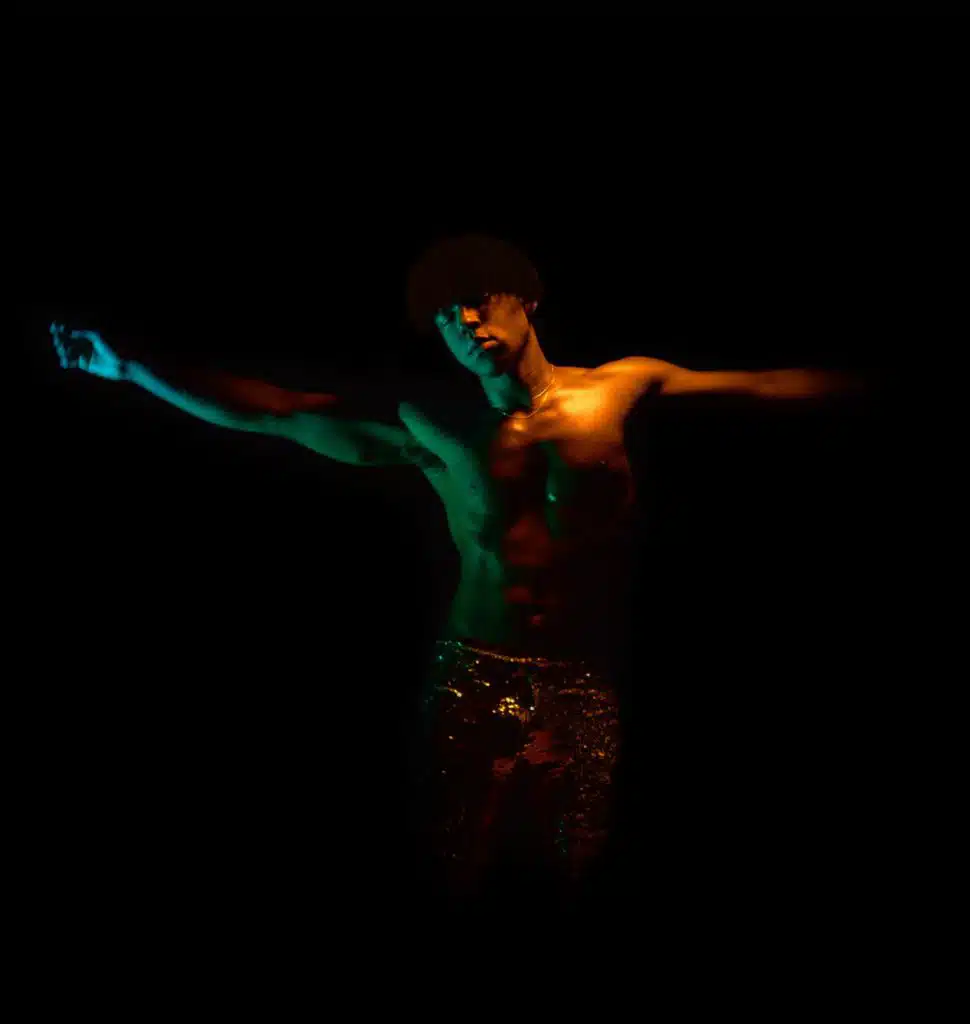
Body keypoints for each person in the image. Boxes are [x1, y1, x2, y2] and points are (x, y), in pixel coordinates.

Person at [50, 234, 856, 910]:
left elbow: (764, 384)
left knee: (578, 866)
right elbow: (278, 413)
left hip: (584, 677)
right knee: (452, 865)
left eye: (477, 301)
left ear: (525, 299)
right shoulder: (437, 426)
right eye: (445, 316)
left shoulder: (622, 390)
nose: (465, 322)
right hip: (473, 672)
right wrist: (131, 370)